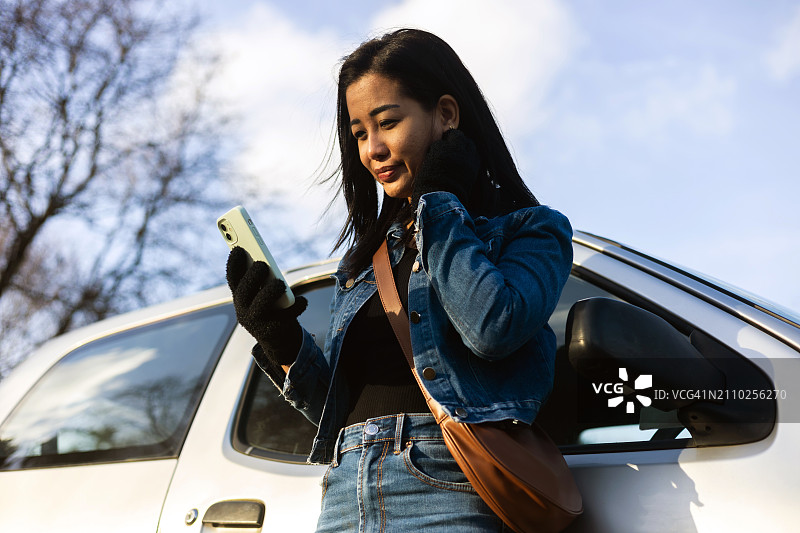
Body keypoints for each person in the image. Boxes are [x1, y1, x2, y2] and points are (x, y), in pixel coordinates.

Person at [226, 28, 573, 533]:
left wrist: (439, 201)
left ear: (446, 115)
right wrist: (281, 340)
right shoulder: (363, 261)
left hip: (449, 486)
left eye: (387, 123)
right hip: (345, 492)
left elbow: (491, 326)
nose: (373, 150)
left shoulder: (531, 231)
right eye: (360, 133)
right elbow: (338, 411)